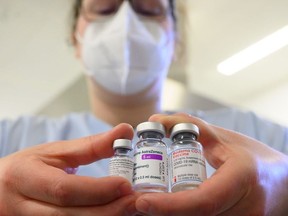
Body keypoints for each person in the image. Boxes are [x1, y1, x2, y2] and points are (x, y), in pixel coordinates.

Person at [0, 0, 287, 215]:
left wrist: (280, 184)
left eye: (149, 10)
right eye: (103, 9)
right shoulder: (11, 137)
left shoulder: (254, 134)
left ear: (175, 43)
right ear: (76, 40)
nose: (126, 25)